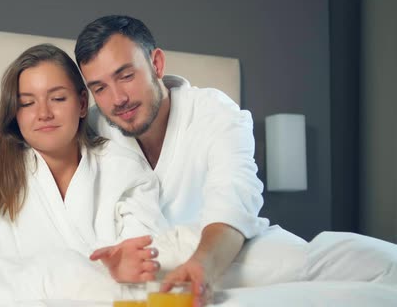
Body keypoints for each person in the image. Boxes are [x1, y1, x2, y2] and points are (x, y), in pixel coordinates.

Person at [74, 15, 397, 306]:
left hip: (231, 254)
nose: (117, 99)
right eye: (100, 88)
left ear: (156, 64)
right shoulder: (92, 129)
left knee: (380, 262)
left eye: (126, 75)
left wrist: (201, 266)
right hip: (149, 271)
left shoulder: (215, 112)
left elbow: (232, 199)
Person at [0, 44, 170, 303]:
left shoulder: (125, 172)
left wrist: (126, 271)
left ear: (82, 103)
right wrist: (96, 274)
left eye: (58, 98)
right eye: (27, 103)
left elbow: (148, 263)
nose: (43, 114)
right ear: (15, 114)